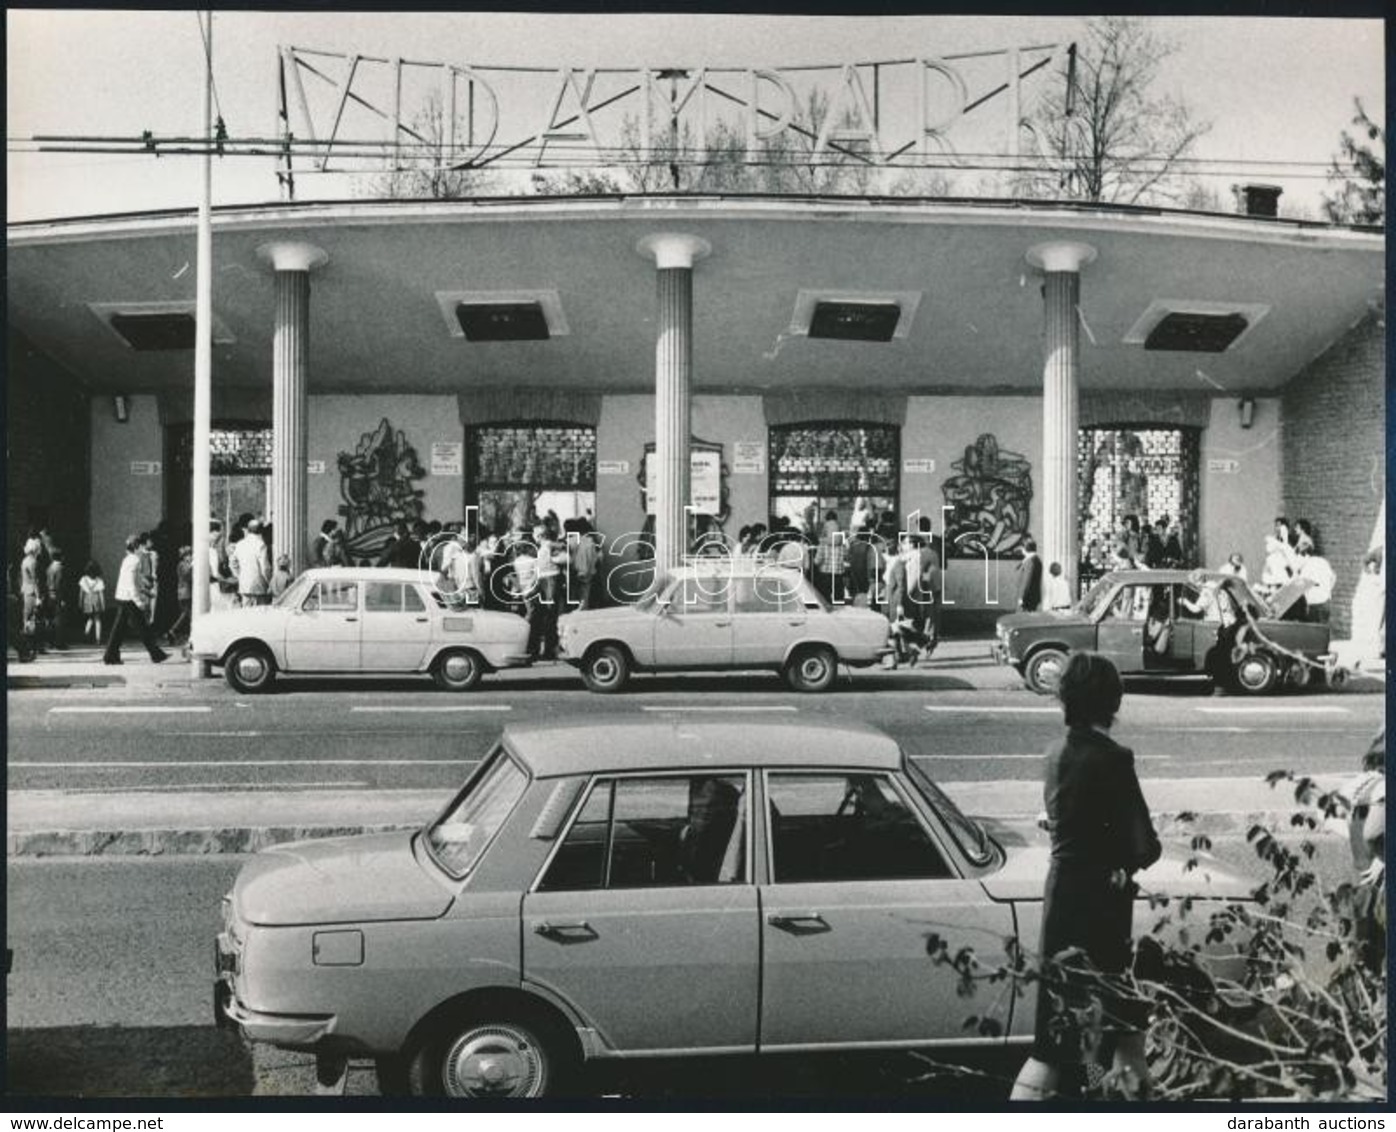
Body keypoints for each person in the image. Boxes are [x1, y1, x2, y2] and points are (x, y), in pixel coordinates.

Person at [1011, 652, 1160, 1101]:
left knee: (1054, 1042)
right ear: (1113, 700)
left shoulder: (1055, 753)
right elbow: (1144, 847)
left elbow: (1071, 819)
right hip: (1102, 913)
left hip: (1062, 903)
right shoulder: (1114, 759)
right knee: (1111, 1036)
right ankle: (1106, 1102)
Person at [102, 535, 169, 665]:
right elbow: (131, 583)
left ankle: (110, 655)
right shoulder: (134, 561)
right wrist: (138, 601)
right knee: (142, 628)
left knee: (119, 629)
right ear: (137, 547)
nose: (143, 548)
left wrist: (146, 592)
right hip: (129, 598)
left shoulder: (128, 559)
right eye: (141, 546)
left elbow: (135, 581)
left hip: (123, 596)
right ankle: (156, 654)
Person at [1294, 542, 1335, 624]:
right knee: (1323, 632)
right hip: (1326, 602)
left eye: (1297, 556)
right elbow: (1333, 577)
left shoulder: (1307, 566)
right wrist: (1327, 590)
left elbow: (1300, 585)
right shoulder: (1323, 561)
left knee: (1313, 633)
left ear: (1304, 554)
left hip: (1314, 605)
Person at [235, 519, 272, 606]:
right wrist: (270, 582)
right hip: (259, 586)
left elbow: (233, 563)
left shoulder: (240, 544)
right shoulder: (261, 545)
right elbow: (265, 568)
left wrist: (238, 575)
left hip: (244, 584)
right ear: (261, 531)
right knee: (258, 615)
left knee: (246, 614)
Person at [814, 512, 847, 604]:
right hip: (838, 575)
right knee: (839, 600)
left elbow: (817, 561)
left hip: (825, 575)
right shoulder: (842, 545)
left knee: (825, 600)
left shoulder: (823, 544)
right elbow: (846, 557)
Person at [165, 546, 194, 643]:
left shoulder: (183, 564)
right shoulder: (182, 565)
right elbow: (186, 575)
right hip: (185, 592)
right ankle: (172, 631)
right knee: (187, 614)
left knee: (186, 614)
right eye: (188, 555)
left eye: (190, 554)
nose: (190, 557)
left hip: (185, 592)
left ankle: (172, 631)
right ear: (183, 556)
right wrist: (191, 565)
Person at [78, 560, 107, 643]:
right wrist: (103, 604)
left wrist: (80, 602)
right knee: (97, 619)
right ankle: (98, 638)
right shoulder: (99, 580)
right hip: (96, 598)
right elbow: (101, 594)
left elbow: (81, 593)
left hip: (87, 599)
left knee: (90, 618)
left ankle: (86, 635)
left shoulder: (83, 579)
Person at [44, 547, 67, 649]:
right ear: (61, 557)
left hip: (49, 594)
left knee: (51, 619)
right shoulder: (60, 568)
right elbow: (60, 583)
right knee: (59, 619)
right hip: (57, 595)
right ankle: (59, 642)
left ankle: (50, 641)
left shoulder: (49, 568)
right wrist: (62, 598)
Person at [1017, 537, 1043, 612]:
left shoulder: (1030, 561)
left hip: (1027, 599)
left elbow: (1027, 581)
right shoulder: (1035, 560)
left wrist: (1022, 597)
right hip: (1031, 598)